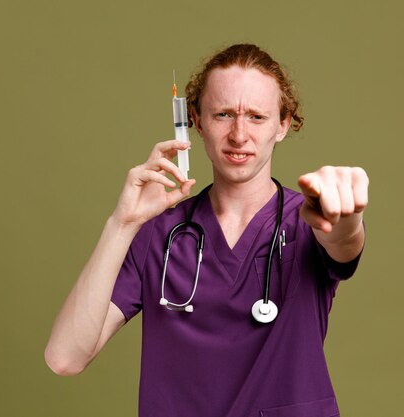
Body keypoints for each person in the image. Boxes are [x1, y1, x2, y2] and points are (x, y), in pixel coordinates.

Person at [45, 43, 369, 417]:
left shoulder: (307, 221)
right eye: (223, 114)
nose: (238, 134)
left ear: (283, 124)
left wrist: (347, 214)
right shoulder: (159, 234)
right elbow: (64, 357)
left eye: (257, 117)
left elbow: (343, 240)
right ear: (196, 121)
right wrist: (123, 224)